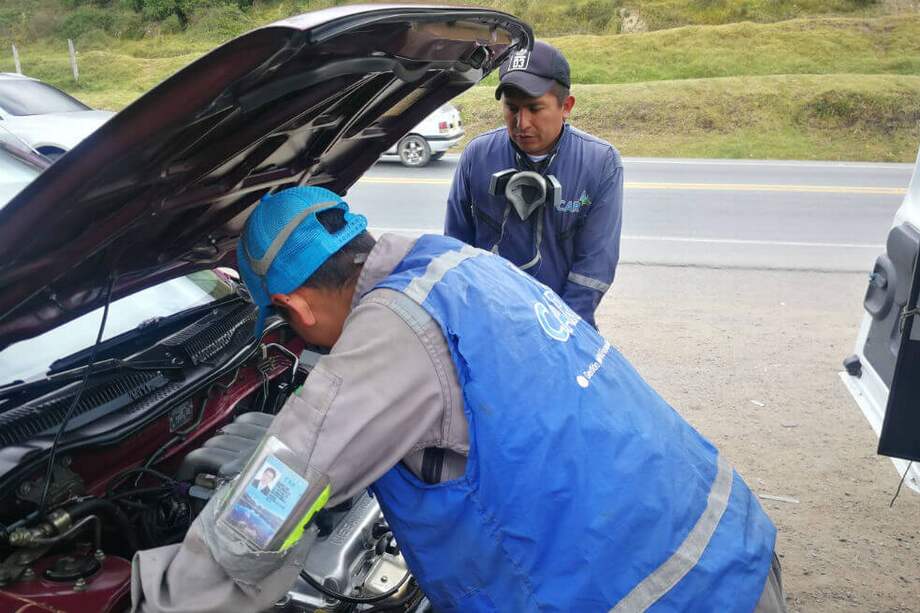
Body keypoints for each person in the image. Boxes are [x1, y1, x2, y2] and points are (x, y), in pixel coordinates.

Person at [131, 186, 785, 613]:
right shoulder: (458, 264)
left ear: (292, 304)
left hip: (659, 594)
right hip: (725, 537)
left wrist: (157, 599)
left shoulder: (390, 337)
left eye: (287, 327)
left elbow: (260, 512)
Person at [445, 40, 623, 328]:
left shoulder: (601, 163)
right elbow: (456, 246)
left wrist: (558, 331)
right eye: (512, 108)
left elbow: (594, 265)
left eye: (535, 108)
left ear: (566, 106)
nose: (521, 123)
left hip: (564, 325)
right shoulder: (476, 156)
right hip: (487, 321)